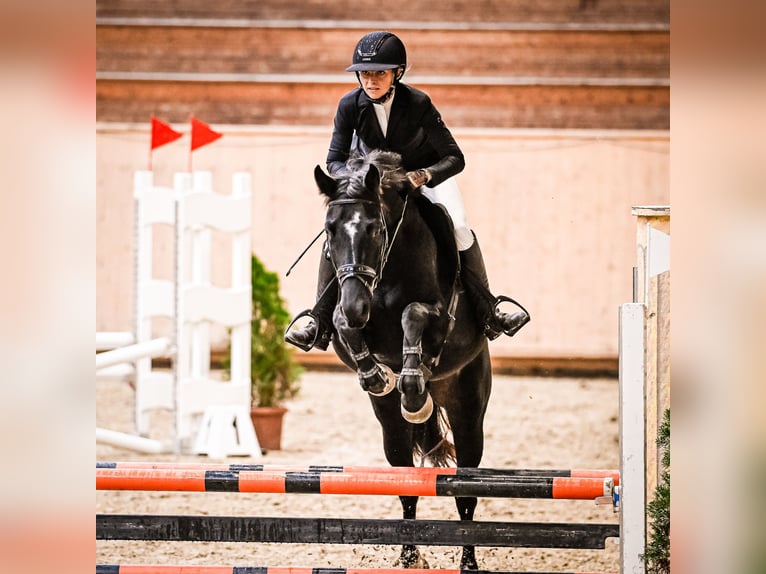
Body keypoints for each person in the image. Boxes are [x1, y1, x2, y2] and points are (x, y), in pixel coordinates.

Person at [285, 30, 529, 352]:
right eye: (365, 73)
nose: (371, 80)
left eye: (379, 73)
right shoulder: (349, 105)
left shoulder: (418, 103)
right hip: (373, 186)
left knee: (457, 226)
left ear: (397, 74)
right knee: (343, 231)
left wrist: (425, 174)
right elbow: (334, 160)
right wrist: (356, 178)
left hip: (423, 180)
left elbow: (455, 158)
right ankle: (319, 321)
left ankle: (489, 309)